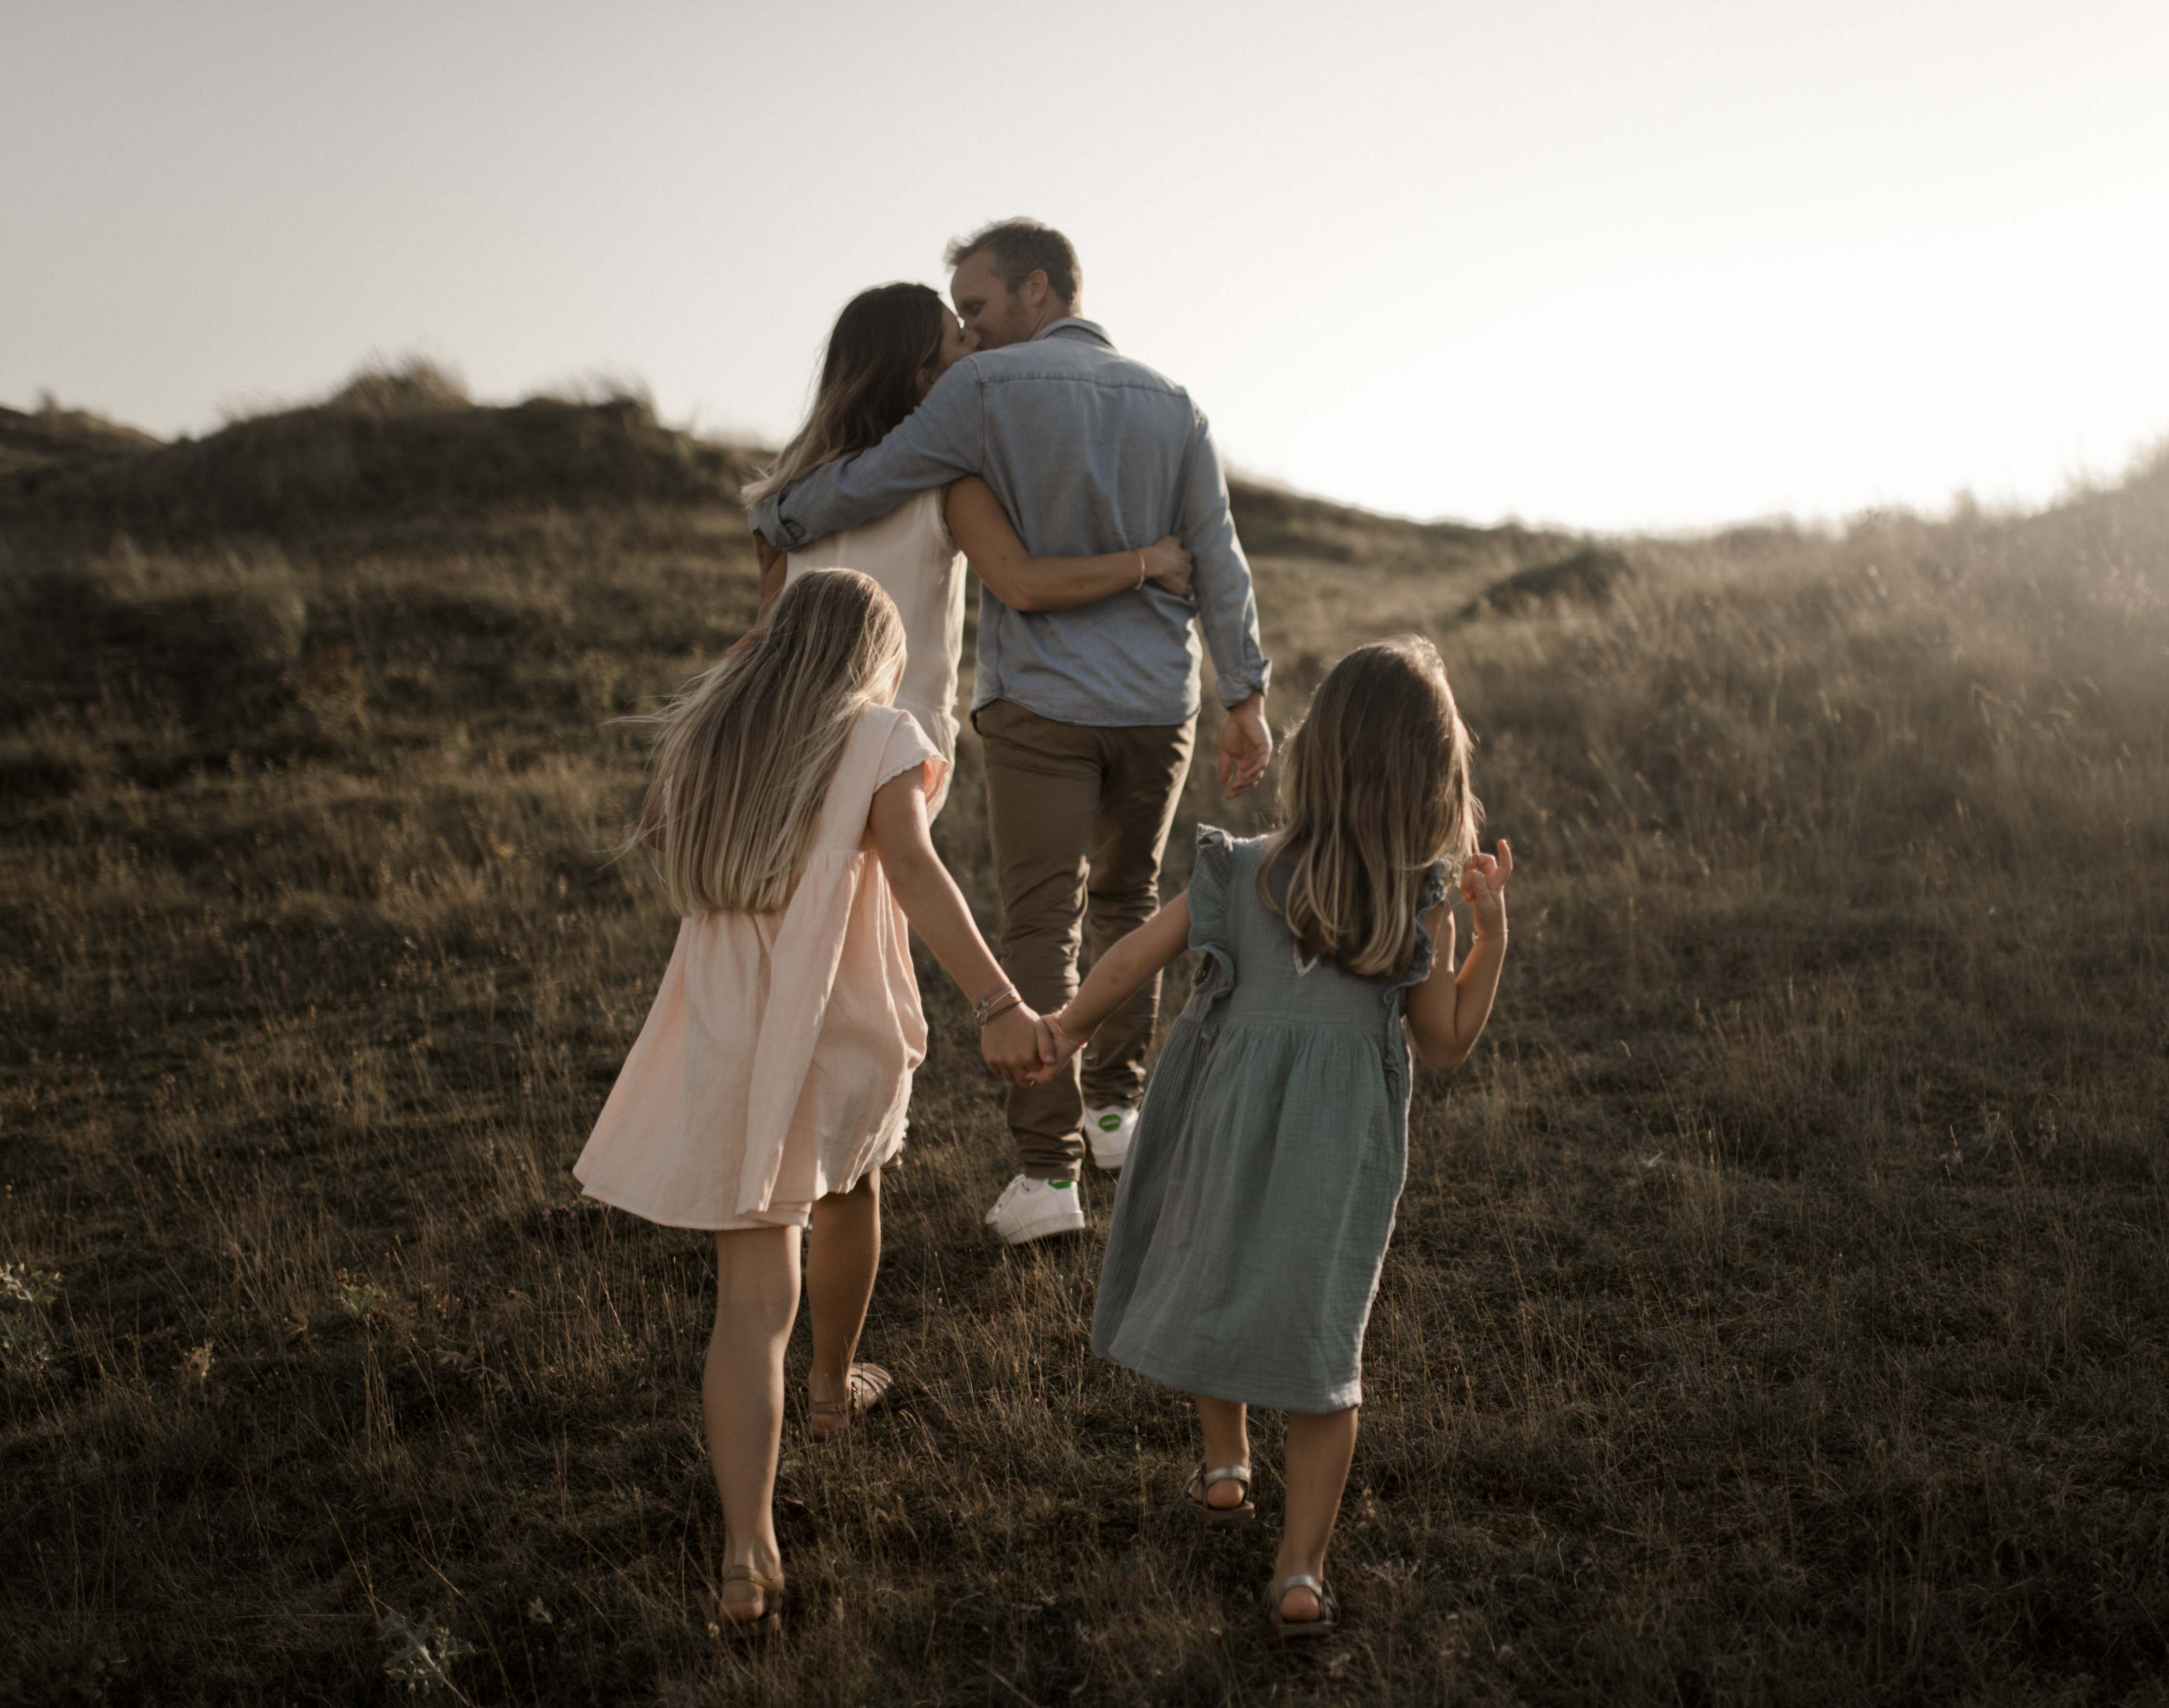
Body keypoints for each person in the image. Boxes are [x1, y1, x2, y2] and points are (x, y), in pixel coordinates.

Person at [750, 219, 1274, 1247]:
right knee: (1128, 897)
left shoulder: (977, 392)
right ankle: (1115, 1115)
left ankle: (1047, 1175)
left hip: (1040, 703)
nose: (969, 329)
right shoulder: (1174, 403)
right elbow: (1219, 554)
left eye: (978, 306)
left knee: (1042, 917)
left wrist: (781, 515)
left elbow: (864, 482)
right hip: (1156, 701)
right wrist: (1243, 693)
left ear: (1036, 290)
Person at [571, 571, 1054, 1638]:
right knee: (853, 1184)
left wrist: (738, 682)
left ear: (774, 644)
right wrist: (999, 997)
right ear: (871, 657)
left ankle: (746, 1550)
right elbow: (919, 871)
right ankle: (832, 1389)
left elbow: (661, 836)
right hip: (833, 1015)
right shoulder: (880, 731)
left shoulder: (716, 730)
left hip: (727, 1017)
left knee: (750, 1301)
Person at [1032, 637, 1514, 1638]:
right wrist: (1488, 938)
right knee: (1317, 1343)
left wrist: (1065, 1030)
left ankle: (1222, 1462)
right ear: (1433, 780)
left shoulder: (1243, 870)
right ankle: (1298, 1569)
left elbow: (1131, 957)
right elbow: (1447, 1044)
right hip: (1334, 1160)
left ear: (1317, 756)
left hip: (1222, 1121)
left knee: (1215, 1273)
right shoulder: (1413, 904)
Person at [740, 281, 1199, 815]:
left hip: (788, 729)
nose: (976, 344)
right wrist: (1149, 561)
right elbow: (1023, 584)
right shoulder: (948, 487)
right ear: (926, 381)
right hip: (896, 736)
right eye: (959, 338)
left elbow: (764, 635)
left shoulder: (788, 500)